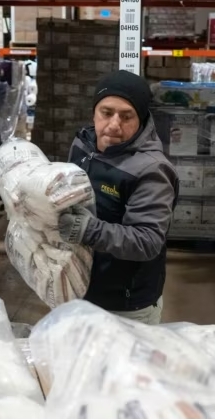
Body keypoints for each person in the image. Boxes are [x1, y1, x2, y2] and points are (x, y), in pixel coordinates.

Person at [56, 70, 178, 324]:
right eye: (106, 113)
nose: (113, 125)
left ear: (142, 119)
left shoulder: (150, 169)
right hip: (78, 290)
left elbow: (147, 241)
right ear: (94, 112)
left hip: (124, 305)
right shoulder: (82, 146)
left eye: (126, 116)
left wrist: (87, 229)